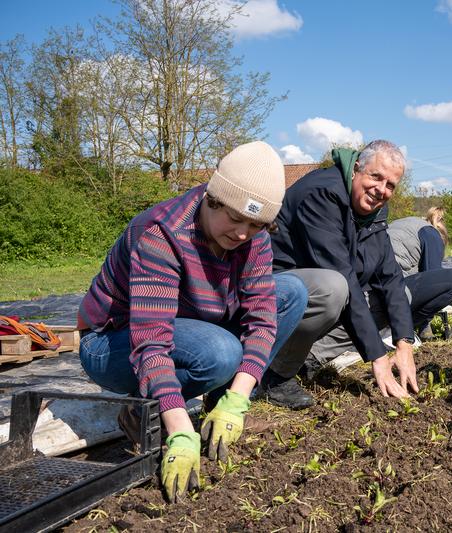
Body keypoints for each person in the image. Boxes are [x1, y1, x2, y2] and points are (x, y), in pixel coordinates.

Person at [77, 141, 308, 502]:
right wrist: (180, 428)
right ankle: (150, 414)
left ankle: (218, 415)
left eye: (256, 224)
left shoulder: (253, 238)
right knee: (220, 352)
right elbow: (151, 341)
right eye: (234, 218)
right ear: (213, 199)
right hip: (113, 342)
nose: (243, 233)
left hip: (188, 324)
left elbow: (262, 322)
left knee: (291, 292)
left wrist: (237, 400)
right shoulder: (162, 234)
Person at [264, 140, 452, 406]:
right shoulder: (322, 194)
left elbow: (390, 277)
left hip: (314, 296)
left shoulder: (374, 212)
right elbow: (341, 274)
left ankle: (309, 356)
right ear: (356, 169)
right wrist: (378, 358)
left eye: (390, 185)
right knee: (336, 288)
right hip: (274, 294)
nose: (381, 190)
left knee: (395, 295)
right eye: (376, 177)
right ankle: (275, 375)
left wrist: (404, 343)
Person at [387, 207, 452, 340]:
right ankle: (401, 327)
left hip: (367, 289)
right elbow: (433, 280)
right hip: (390, 294)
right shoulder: (432, 234)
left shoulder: (407, 224)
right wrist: (425, 323)